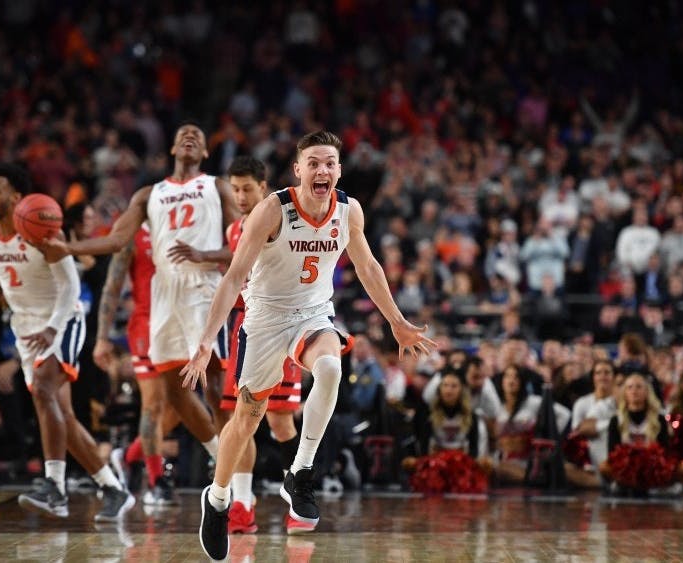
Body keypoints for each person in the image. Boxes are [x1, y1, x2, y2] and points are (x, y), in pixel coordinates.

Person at [180, 131, 436, 560]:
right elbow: (233, 277)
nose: (322, 170)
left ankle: (300, 472)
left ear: (339, 170)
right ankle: (219, 498)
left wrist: (397, 322)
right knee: (246, 419)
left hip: (313, 316)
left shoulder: (349, 210)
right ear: (298, 170)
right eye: (313, 163)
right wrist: (206, 342)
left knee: (332, 368)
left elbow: (368, 267)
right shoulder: (272, 209)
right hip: (264, 319)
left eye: (329, 163)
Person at [43, 123, 234, 473]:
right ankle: (219, 453)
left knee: (213, 383)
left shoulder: (216, 186)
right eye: (183, 134)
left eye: (197, 135)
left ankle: (232, 474)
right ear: (172, 149)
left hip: (202, 285)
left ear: (206, 151)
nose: (190, 136)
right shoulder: (149, 195)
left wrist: (205, 254)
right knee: (172, 391)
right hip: (162, 294)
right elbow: (116, 241)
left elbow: (242, 244)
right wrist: (69, 248)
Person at [0, 163, 134, 521]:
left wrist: (52, 328)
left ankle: (55, 488)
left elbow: (71, 287)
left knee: (45, 391)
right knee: (63, 419)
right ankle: (113, 488)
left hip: (63, 320)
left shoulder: (41, 229)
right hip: (26, 329)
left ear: (17, 197)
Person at [216, 156, 306, 534]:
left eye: (247, 189)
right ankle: (242, 503)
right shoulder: (233, 230)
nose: (240, 196)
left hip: (281, 322)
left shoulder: (284, 220)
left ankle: (298, 497)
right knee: (240, 419)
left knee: (280, 420)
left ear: (263, 188)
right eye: (235, 189)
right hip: (243, 326)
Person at [96, 224, 185, 507]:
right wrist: (102, 338)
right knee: (153, 405)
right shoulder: (134, 233)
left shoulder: (188, 222)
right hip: (146, 326)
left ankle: (127, 456)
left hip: (183, 324)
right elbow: (112, 286)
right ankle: (157, 481)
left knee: (182, 407)